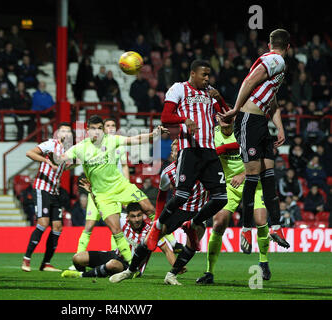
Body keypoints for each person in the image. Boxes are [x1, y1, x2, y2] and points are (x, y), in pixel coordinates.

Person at [54, 115, 167, 265]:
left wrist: (153, 135)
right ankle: (131, 265)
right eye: (93, 129)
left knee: (149, 208)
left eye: (100, 128)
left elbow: (135, 139)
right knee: (116, 230)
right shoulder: (80, 147)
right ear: (87, 130)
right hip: (103, 195)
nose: (97, 132)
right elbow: (61, 158)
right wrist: (54, 156)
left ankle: (164, 239)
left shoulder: (111, 140)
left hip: (121, 187)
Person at [219, 29, 291, 252]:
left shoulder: (274, 64)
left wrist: (279, 128)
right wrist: (235, 110)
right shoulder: (275, 60)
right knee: (252, 176)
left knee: (268, 175)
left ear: (270, 44)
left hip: (261, 124)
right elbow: (249, 80)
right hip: (248, 120)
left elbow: (272, 101)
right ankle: (246, 229)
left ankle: (276, 226)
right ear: (288, 47)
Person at [147, 59, 229, 253]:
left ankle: (194, 222)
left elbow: (228, 119)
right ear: (193, 74)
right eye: (204, 75)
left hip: (209, 150)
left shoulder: (211, 93)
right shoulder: (178, 89)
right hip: (190, 149)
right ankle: (158, 226)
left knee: (221, 198)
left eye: (209, 75)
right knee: (182, 195)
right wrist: (184, 120)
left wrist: (221, 99)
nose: (208, 78)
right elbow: (165, 117)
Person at [109, 140, 207, 285]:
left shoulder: (204, 167)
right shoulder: (168, 172)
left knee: (192, 245)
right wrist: (157, 220)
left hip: (198, 212)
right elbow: (161, 197)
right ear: (172, 155)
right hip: (177, 210)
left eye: (180, 149)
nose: (177, 153)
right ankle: (130, 270)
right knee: (150, 239)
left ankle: (171, 275)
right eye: (174, 151)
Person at [196, 115, 270, 285]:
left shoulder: (244, 133)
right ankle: (209, 272)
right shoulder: (212, 135)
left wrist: (243, 174)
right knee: (218, 222)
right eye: (222, 118)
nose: (225, 121)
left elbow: (262, 160)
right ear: (217, 119)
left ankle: (263, 262)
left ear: (234, 118)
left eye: (229, 118)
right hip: (229, 185)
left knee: (260, 220)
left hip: (251, 181)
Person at [62, 202, 176, 279]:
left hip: (133, 268)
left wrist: (176, 267)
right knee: (77, 258)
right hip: (114, 255)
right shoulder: (122, 221)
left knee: (112, 265)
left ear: (143, 215)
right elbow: (102, 207)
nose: (137, 219)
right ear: (128, 217)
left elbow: (167, 250)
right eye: (133, 216)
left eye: (139, 215)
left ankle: (82, 276)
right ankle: (101, 272)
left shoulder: (151, 231)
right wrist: (92, 192)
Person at [73, 118, 130, 260]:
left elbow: (125, 167)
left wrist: (125, 191)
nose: (110, 127)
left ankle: (114, 257)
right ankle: (78, 257)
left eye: (113, 125)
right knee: (89, 225)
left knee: (114, 227)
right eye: (108, 125)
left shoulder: (119, 145)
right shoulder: (93, 145)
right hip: (96, 192)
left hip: (114, 191)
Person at [21, 123, 73, 272]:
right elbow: (29, 153)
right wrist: (47, 161)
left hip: (54, 191)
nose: (66, 134)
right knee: (43, 222)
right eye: (63, 130)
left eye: (69, 132)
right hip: (42, 188)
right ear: (57, 133)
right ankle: (26, 259)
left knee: (57, 227)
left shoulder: (67, 152)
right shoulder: (51, 144)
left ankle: (46, 263)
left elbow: (66, 166)